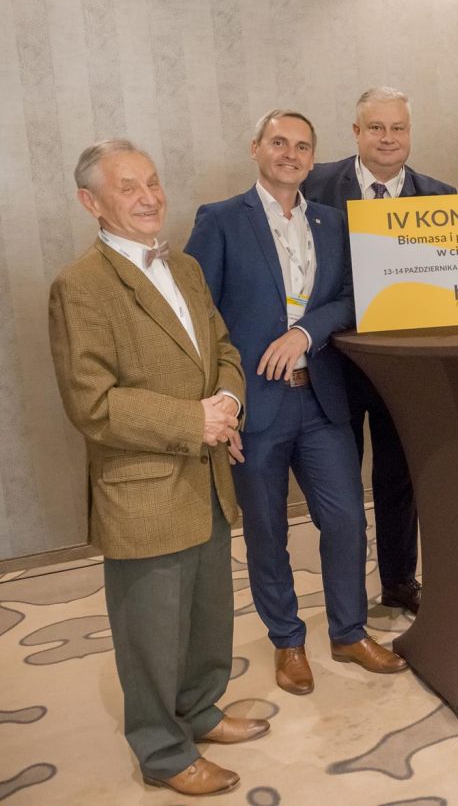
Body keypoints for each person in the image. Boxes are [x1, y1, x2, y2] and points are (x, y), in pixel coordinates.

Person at [48, 140, 268, 797]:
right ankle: (163, 751)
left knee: (207, 616)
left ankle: (198, 711)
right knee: (150, 630)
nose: (149, 198)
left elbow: (224, 349)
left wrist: (228, 402)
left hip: (206, 476)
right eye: (128, 188)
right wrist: (191, 421)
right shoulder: (80, 287)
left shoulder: (187, 268)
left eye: (153, 182)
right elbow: (92, 402)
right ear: (91, 202)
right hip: (142, 489)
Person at [185, 109, 407, 698]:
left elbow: (355, 297)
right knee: (267, 529)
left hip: (321, 398)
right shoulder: (220, 220)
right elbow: (197, 318)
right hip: (254, 407)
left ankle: (349, 632)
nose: (291, 154)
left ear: (313, 157)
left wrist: (305, 332)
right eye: (279, 143)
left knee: (346, 519)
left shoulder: (334, 222)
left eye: (302, 146)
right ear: (256, 148)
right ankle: (287, 640)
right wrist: (219, 404)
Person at [301, 87, 458, 615]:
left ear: (410, 133)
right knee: (340, 491)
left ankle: (399, 581)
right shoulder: (314, 186)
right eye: (376, 128)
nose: (388, 138)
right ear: (356, 132)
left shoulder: (441, 197)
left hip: (406, 367)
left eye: (398, 128)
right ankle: (345, 597)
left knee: (398, 479)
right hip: (334, 361)